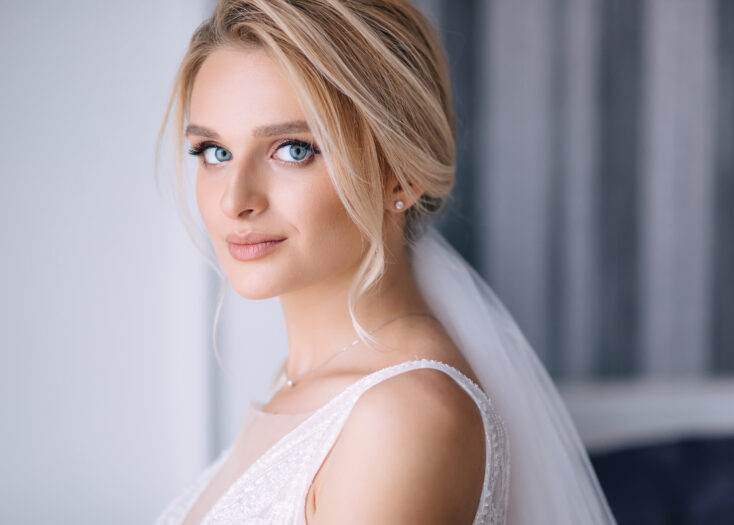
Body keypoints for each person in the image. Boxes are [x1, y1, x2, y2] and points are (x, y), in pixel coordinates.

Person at [155, 1, 615, 524]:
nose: (235, 200)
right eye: (214, 152)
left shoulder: (401, 416)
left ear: (400, 173)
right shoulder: (304, 378)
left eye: (293, 149)